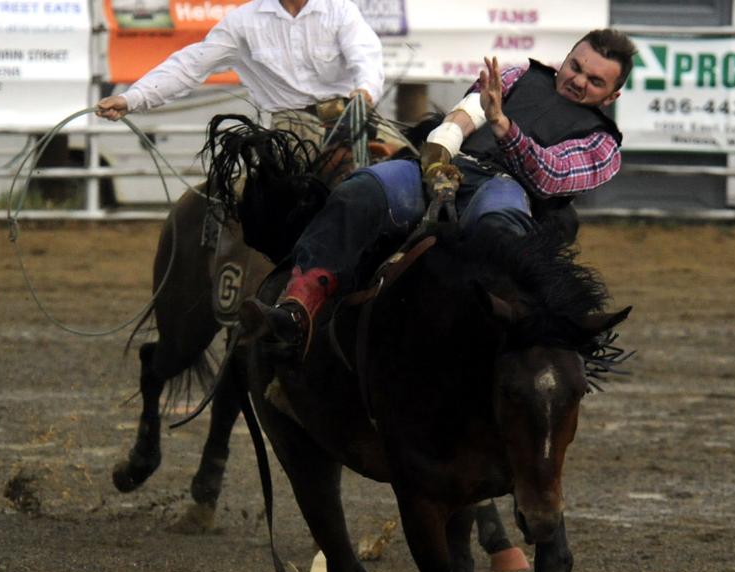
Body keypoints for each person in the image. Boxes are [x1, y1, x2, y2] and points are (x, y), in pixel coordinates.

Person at [238, 28, 636, 355]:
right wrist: (446, 139)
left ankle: (498, 345)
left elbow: (551, 176)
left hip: (508, 188)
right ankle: (298, 307)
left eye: (595, 80)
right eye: (575, 67)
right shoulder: (518, 76)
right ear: (565, 59)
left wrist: (503, 126)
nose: (578, 80)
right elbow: (472, 107)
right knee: (361, 191)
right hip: (449, 166)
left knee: (499, 232)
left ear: (613, 95)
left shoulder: (602, 145)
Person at [94, 0, 403, 147]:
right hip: (291, 125)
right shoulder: (243, 22)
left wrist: (363, 93)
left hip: (351, 115)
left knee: (408, 166)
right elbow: (191, 65)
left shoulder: (340, 10)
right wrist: (131, 98)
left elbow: (365, 56)